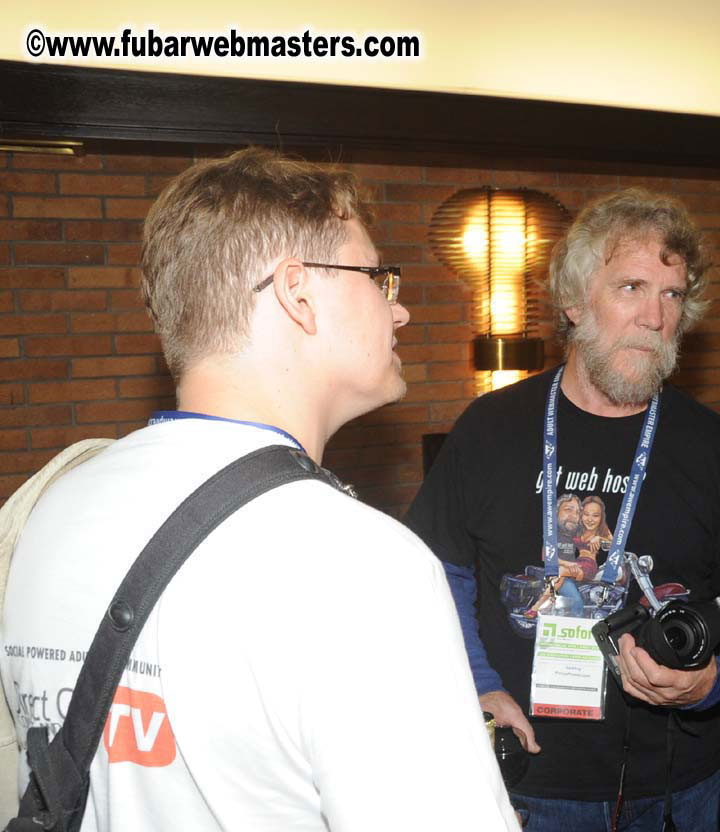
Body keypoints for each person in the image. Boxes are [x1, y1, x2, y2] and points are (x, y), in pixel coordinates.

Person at [0, 149, 518, 831]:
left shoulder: (49, 510)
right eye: (378, 279)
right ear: (298, 293)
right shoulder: (359, 564)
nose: (401, 314)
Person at [403, 187, 720, 832]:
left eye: (673, 294)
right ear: (575, 303)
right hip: (528, 776)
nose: (656, 316)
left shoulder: (712, 443)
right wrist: (479, 689)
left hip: (675, 783)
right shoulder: (491, 428)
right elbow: (436, 575)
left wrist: (714, 680)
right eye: (632, 287)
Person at [575, 495, 614, 562]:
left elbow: (616, 548)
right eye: (586, 514)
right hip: (574, 563)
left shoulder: (602, 528)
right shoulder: (577, 527)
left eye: (595, 515)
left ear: (601, 517)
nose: (590, 519)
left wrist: (600, 539)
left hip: (588, 564)